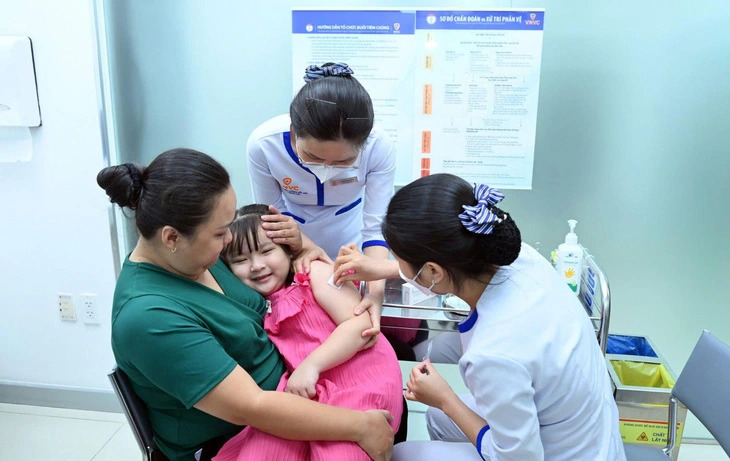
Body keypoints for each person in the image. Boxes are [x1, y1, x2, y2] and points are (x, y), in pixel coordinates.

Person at [97, 149, 394, 461]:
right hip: (237, 433)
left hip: (295, 392)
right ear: (172, 237)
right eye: (220, 231)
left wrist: (304, 245)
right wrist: (360, 425)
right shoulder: (148, 318)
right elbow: (251, 406)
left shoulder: (195, 258)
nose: (229, 240)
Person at [334, 173, 626, 460]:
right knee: (436, 417)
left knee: (404, 453)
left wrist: (446, 399)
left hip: (555, 453)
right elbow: (438, 267)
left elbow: (521, 458)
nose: (395, 265)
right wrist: (381, 270)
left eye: (398, 260)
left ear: (434, 271)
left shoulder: (494, 353)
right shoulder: (519, 257)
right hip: (585, 428)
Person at [212, 204, 403, 461]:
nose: (256, 266)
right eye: (241, 260)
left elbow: (361, 326)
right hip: (312, 390)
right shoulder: (256, 304)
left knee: (338, 455)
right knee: (261, 451)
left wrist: (311, 365)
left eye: (267, 251)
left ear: (289, 251)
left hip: (362, 380)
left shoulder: (312, 272)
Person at [246, 62, 394, 332]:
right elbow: (273, 215)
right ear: (293, 132)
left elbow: (376, 227)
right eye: (313, 157)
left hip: (351, 233)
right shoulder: (264, 145)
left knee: (352, 315)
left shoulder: (378, 147)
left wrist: (375, 294)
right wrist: (303, 246)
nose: (326, 168)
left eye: (344, 161)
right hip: (290, 234)